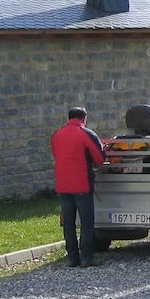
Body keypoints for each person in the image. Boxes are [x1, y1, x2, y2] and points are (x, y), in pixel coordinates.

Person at [51, 106, 105, 267]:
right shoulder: (86, 134)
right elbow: (99, 158)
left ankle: (72, 258)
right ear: (84, 118)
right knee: (87, 222)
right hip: (81, 184)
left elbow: (56, 154)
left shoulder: (56, 135)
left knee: (68, 223)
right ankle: (87, 257)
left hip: (62, 184)